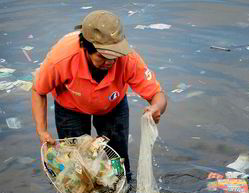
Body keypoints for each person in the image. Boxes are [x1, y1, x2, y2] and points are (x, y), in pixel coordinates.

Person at [31, 10, 167, 182]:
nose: (110, 62)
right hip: (70, 107)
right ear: (86, 48)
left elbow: (158, 94)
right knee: (75, 166)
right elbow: (38, 90)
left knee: (118, 163)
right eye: (103, 56)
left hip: (112, 107)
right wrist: (42, 130)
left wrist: (156, 108)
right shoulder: (62, 58)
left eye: (114, 56)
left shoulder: (128, 59)